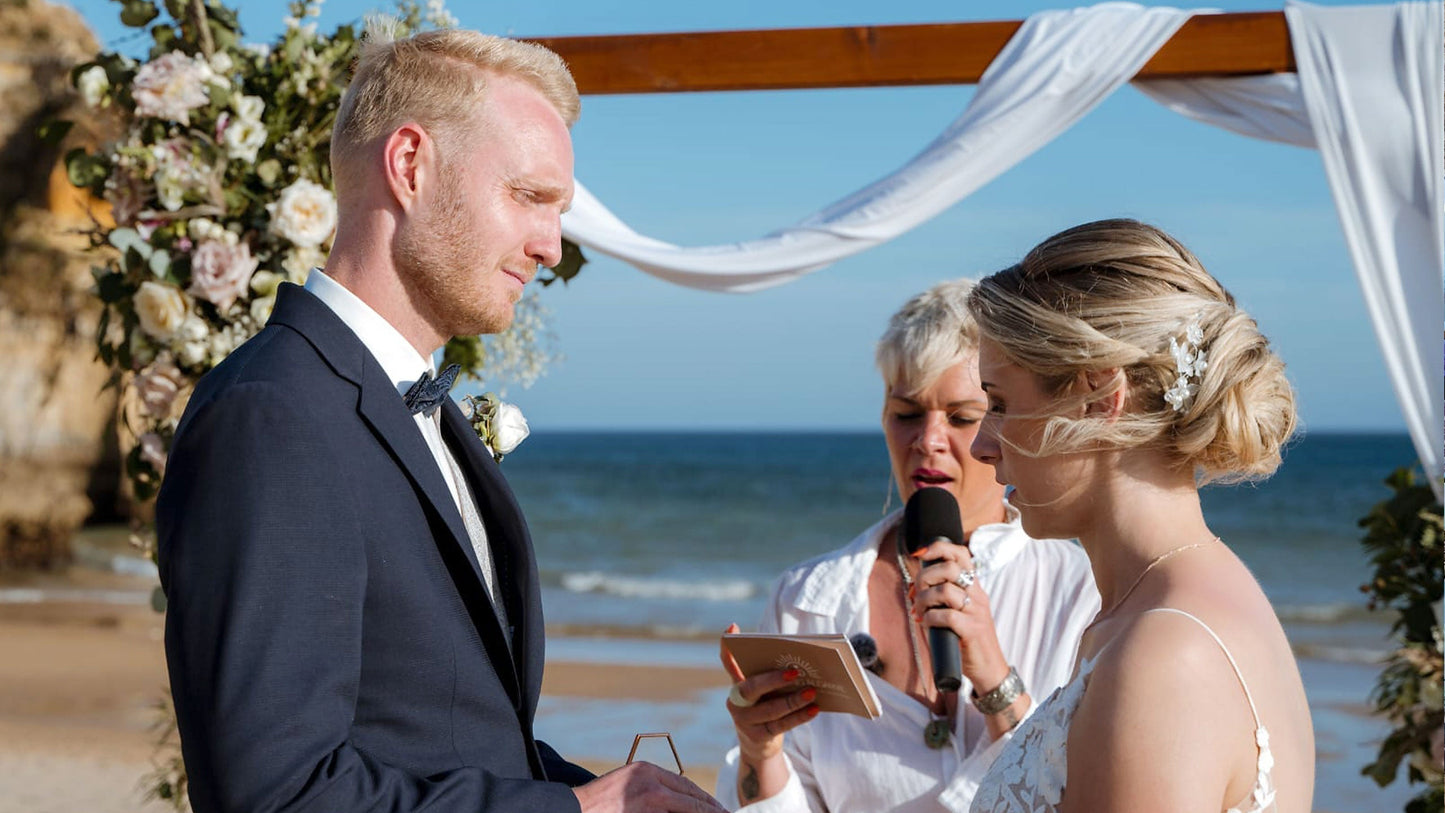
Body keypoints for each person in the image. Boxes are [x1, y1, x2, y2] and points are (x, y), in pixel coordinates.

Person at [156, 24, 725, 813]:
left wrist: (603, 794)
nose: (551, 246)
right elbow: (276, 792)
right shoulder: (273, 414)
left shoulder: (420, 407)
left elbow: (448, 734)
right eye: (529, 197)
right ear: (410, 165)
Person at [965, 219, 1315, 812]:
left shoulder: (1164, 657)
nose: (981, 445)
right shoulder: (1165, 606)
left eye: (999, 404)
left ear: (1100, 397)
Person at [715, 279, 1100, 812]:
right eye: (907, 413)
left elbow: (1087, 794)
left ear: (1006, 424)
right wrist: (759, 750)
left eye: (962, 417)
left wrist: (995, 679)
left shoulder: (1079, 589)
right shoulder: (808, 598)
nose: (928, 439)